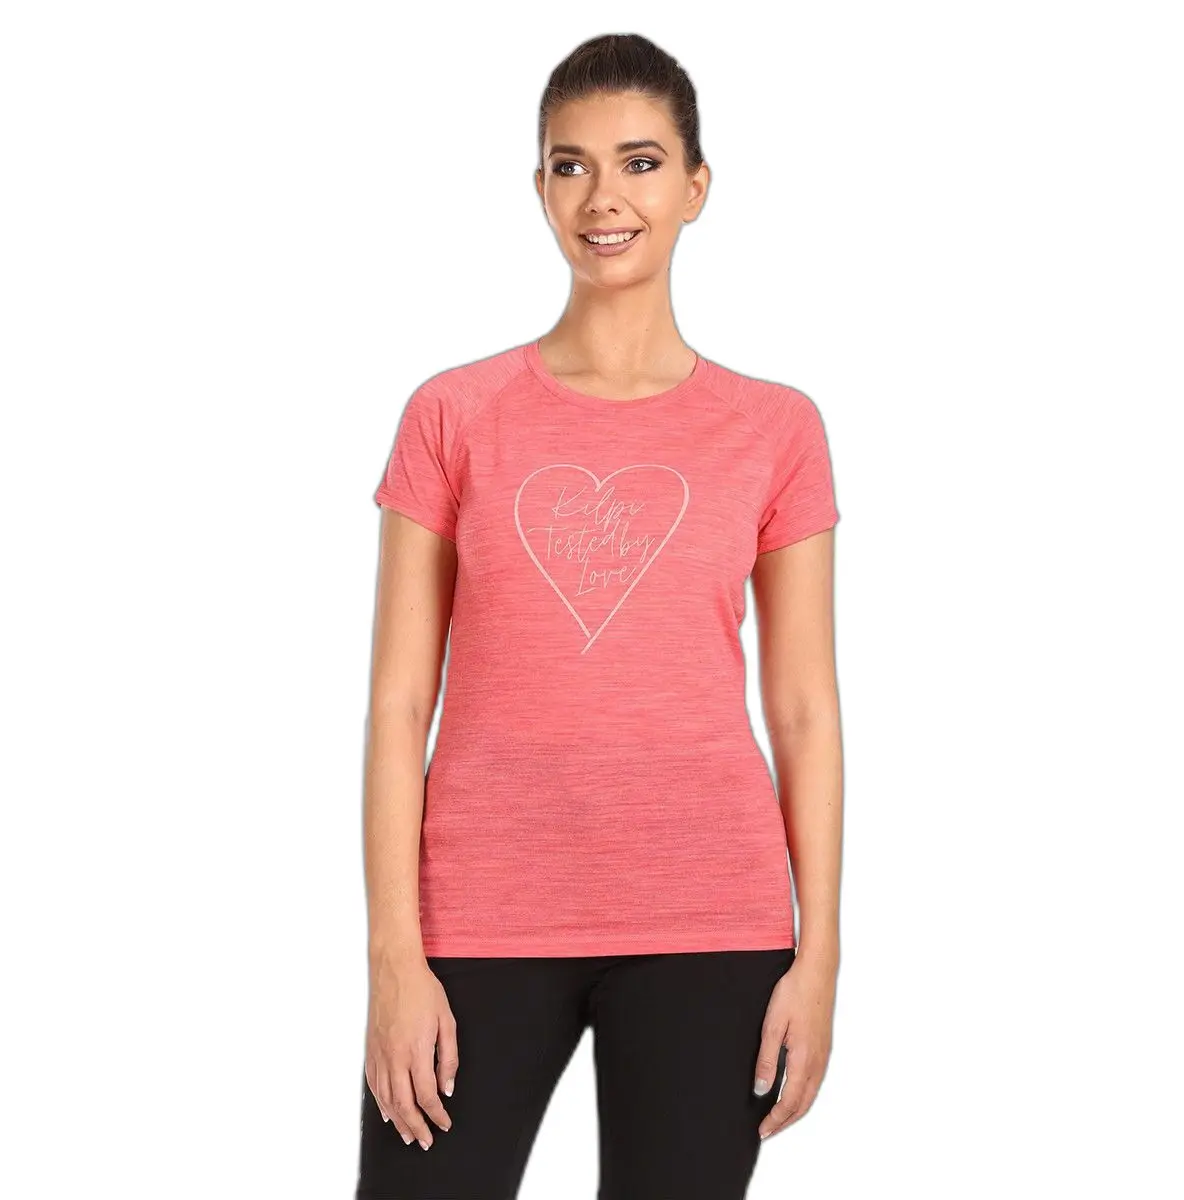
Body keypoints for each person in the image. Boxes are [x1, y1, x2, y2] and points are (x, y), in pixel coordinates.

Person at [357, 32, 843, 1200]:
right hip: (478, 915)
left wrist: (819, 955)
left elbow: (803, 709)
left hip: (710, 919)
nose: (602, 197)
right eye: (570, 166)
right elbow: (398, 702)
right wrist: (393, 961)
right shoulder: (454, 414)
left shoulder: (776, 429)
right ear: (539, 188)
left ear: (696, 187)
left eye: (639, 162)